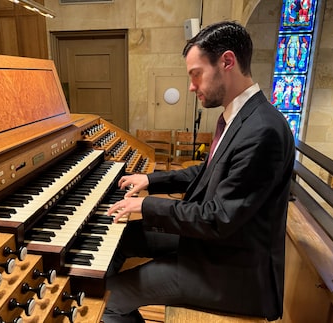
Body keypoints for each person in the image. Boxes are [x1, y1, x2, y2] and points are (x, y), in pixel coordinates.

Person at [102, 21, 295, 323]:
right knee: (122, 236)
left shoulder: (263, 130)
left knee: (107, 301)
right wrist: (151, 180)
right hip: (218, 248)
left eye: (196, 74)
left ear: (227, 62)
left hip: (234, 273)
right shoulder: (240, 118)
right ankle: (104, 288)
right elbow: (204, 173)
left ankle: (111, 301)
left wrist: (146, 205)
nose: (191, 87)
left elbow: (219, 218)